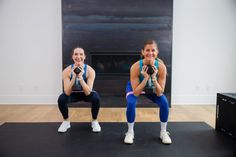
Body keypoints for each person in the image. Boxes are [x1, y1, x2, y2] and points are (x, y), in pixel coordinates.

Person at [124, 40, 172, 144]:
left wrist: (154, 78)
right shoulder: (135, 67)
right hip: (136, 87)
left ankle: (163, 132)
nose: (150, 53)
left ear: (157, 52)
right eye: (147, 50)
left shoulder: (161, 67)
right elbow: (136, 93)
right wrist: (145, 78)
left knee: (164, 102)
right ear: (142, 52)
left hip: (152, 88)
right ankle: (130, 132)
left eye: (153, 50)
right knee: (131, 103)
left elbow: (159, 93)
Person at [57, 47, 101, 133]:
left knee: (96, 98)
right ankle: (66, 121)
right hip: (72, 94)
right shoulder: (66, 71)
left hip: (85, 92)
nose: (78, 56)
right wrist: (73, 77)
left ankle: (94, 121)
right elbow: (67, 92)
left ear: (84, 57)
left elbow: (88, 92)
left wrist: (80, 77)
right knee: (61, 99)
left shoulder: (90, 71)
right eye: (76, 54)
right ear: (72, 56)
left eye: (81, 54)